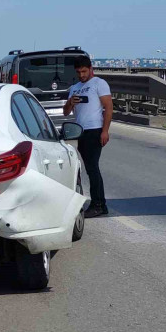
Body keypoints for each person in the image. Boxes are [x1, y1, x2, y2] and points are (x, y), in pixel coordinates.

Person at [63, 56, 113, 218]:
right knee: (89, 168)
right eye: (78, 72)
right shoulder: (75, 87)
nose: (82, 75)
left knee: (92, 168)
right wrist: (71, 102)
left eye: (84, 71)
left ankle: (98, 204)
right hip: (80, 131)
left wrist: (105, 131)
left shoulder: (99, 83)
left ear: (90, 69)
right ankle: (100, 203)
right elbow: (66, 112)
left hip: (95, 130)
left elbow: (108, 108)